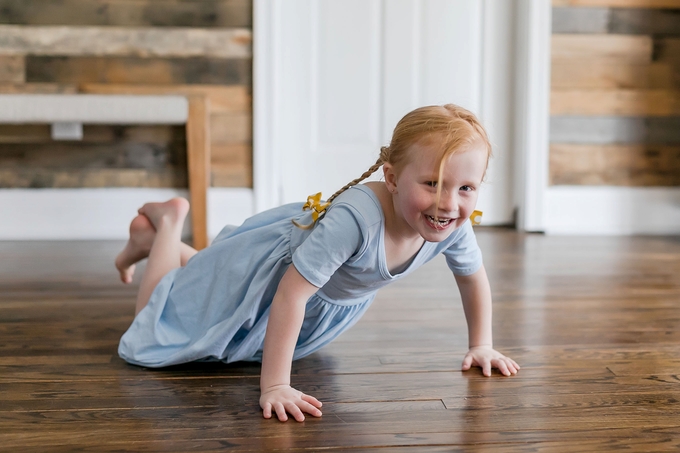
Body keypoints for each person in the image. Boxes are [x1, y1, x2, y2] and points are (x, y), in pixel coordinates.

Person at [114, 104, 520, 423]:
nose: (447, 203)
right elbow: (291, 294)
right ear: (392, 178)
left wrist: (481, 345)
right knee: (157, 320)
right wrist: (275, 385)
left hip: (293, 289)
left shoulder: (450, 222)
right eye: (432, 183)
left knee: (210, 281)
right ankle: (167, 227)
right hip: (275, 279)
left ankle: (167, 248)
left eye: (466, 188)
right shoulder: (356, 221)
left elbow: (472, 279)